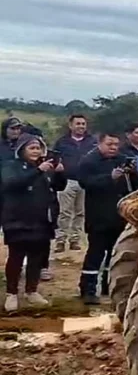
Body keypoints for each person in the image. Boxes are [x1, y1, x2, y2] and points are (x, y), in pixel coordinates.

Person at [2, 133, 66, 311]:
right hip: (17, 219)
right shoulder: (11, 166)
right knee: (16, 256)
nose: (36, 151)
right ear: (22, 150)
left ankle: (32, 291)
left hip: (41, 220)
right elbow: (11, 184)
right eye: (32, 148)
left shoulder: (45, 167)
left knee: (36, 257)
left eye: (38, 148)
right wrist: (39, 170)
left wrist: (60, 173)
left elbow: (59, 187)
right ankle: (11, 294)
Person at [77, 131, 138, 305]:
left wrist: (133, 173)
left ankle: (108, 286)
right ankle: (87, 289)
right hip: (98, 216)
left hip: (119, 216)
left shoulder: (122, 158)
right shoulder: (89, 161)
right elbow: (85, 182)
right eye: (109, 144)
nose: (113, 148)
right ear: (100, 143)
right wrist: (109, 178)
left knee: (114, 254)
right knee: (95, 254)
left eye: (115, 145)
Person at [53, 114, 97, 252]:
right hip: (67, 181)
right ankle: (60, 240)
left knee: (80, 213)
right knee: (64, 212)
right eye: (78, 124)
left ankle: (75, 239)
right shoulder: (62, 142)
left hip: (85, 181)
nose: (81, 126)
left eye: (83, 124)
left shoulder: (92, 142)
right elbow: (54, 158)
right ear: (70, 125)